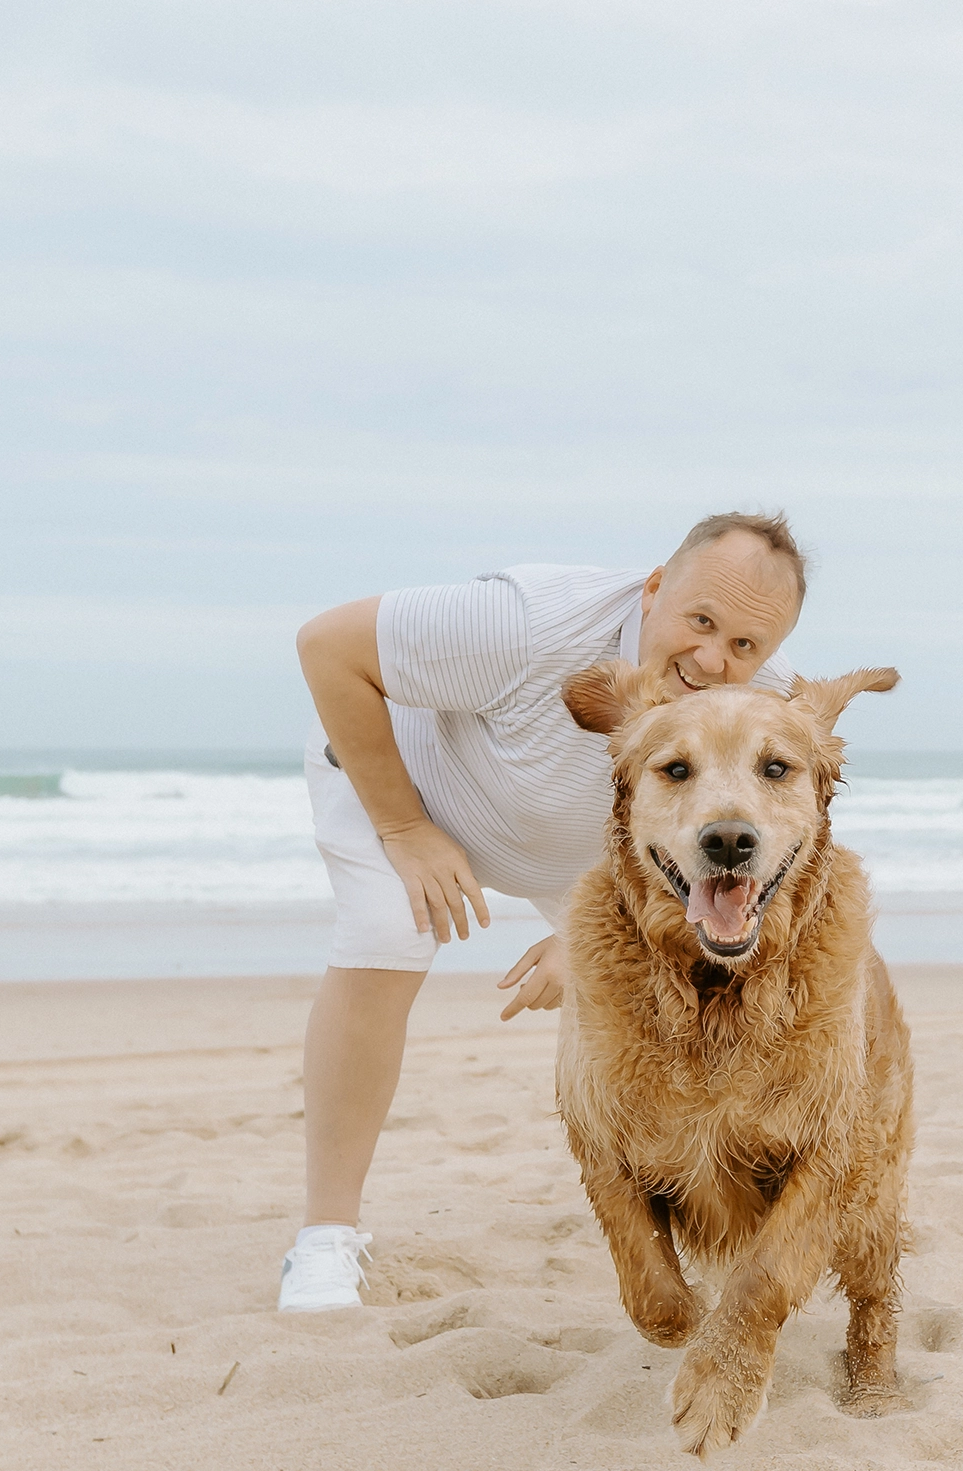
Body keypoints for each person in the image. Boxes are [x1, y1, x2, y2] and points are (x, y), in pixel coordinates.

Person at [277, 511, 807, 1311]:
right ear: (655, 589)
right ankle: (324, 1241)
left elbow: (722, 836)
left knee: (706, 982)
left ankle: (709, 1215)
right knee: (389, 936)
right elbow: (327, 647)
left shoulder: (760, 707)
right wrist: (403, 827)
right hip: (406, 792)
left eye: (744, 646)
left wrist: (589, 932)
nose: (711, 660)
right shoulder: (529, 623)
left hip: (572, 855)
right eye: (701, 621)